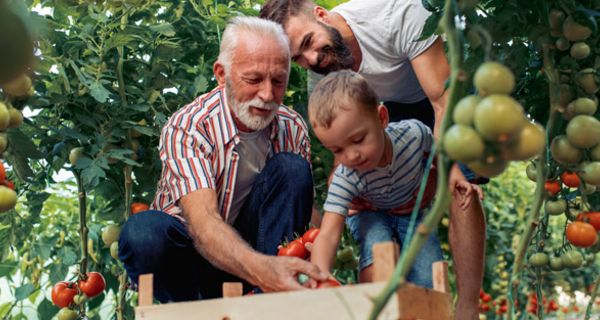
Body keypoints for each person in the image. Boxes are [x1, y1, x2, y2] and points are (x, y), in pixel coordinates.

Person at [260, 1, 486, 318]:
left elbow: (441, 101)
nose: (311, 60)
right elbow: (341, 150)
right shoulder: (322, 76)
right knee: (369, 196)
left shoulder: (397, 15)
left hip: (439, 90)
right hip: (376, 117)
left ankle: (468, 305)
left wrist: (447, 169)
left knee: (462, 181)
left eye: (309, 42)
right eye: (298, 58)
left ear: (321, 15)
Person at [118, 16, 328, 302]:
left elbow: (298, 209)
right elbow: (203, 224)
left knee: (292, 169)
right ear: (221, 74)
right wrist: (264, 270)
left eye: (278, 81)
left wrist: (323, 244)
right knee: (143, 234)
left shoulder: (291, 127)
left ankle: (270, 300)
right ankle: (192, 310)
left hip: (260, 259)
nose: (267, 95)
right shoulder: (189, 126)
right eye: (253, 80)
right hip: (194, 261)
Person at [308, 70, 442, 287]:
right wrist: (319, 275)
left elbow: (441, 155)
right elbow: (329, 234)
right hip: (367, 213)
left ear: (382, 118)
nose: (351, 156)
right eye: (337, 150)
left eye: (358, 140)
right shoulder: (346, 176)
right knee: (378, 253)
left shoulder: (415, 135)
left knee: (428, 274)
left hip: (411, 210)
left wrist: (447, 176)